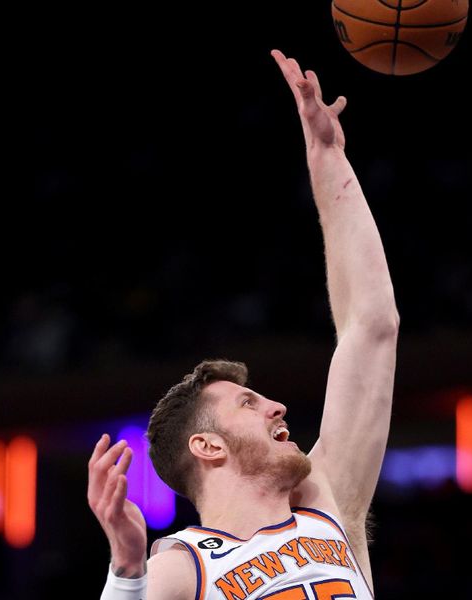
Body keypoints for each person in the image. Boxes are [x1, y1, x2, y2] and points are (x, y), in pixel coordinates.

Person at [87, 48, 400, 600]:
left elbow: (371, 325)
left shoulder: (329, 500)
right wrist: (127, 571)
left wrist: (328, 160)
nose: (277, 406)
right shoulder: (181, 567)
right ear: (207, 446)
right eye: (248, 404)